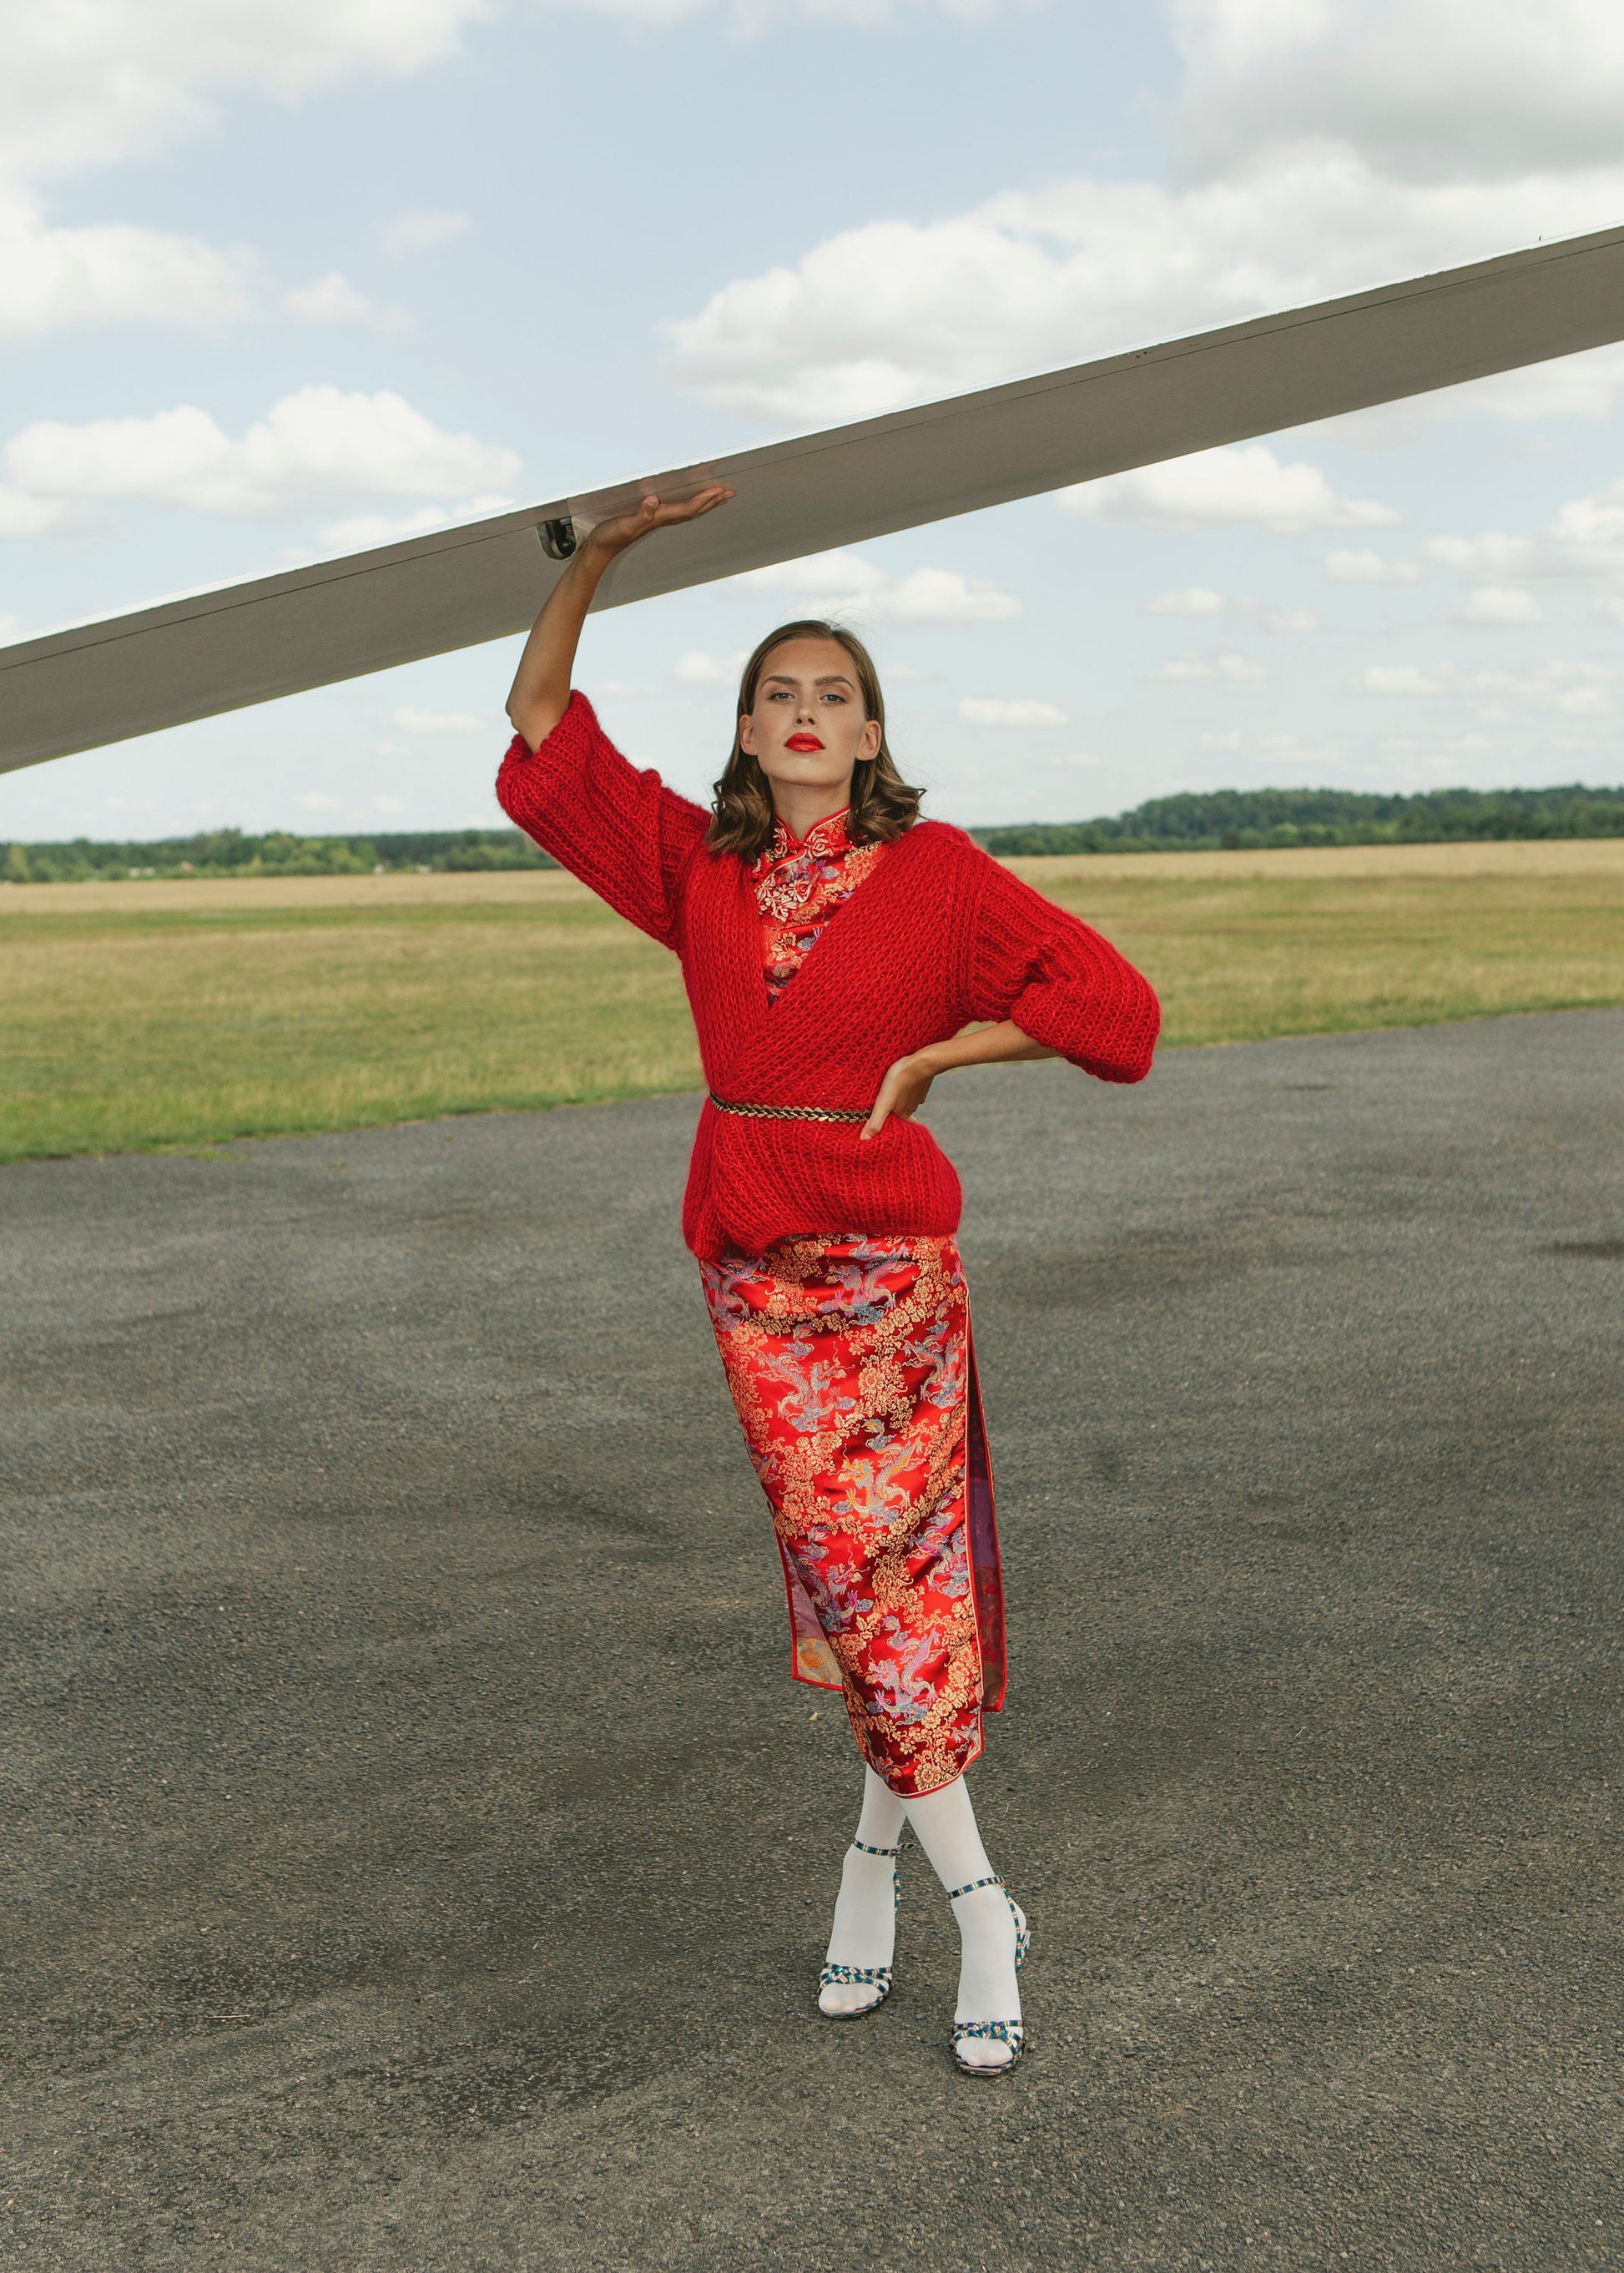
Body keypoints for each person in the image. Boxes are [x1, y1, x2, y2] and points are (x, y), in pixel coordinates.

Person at [498, 488, 1160, 2075]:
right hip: (751, 1266)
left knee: (880, 1579)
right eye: (777, 693)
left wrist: (947, 1045)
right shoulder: (695, 871)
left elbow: (1116, 1010)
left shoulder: (936, 875)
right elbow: (538, 727)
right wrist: (599, 557)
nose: (805, 715)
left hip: (888, 1278)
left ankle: (975, 1902)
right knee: (859, 1579)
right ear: (744, 730)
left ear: (871, 734)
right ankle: (876, 1867)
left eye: (834, 695)